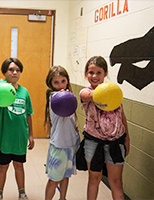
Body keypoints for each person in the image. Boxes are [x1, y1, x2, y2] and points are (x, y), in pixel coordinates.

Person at [79, 56, 130, 200]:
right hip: (93, 143)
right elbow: (91, 95)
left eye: (99, 72)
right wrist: (111, 91)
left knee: (116, 182)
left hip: (116, 142)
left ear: (105, 73)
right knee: (94, 179)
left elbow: (122, 116)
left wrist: (127, 138)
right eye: (91, 72)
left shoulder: (114, 93)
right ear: (86, 74)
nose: (94, 76)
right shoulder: (85, 92)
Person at [0, 57, 35, 200]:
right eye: (11, 69)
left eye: (17, 70)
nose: (14, 72)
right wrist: (4, 80)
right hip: (4, 138)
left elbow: (29, 114)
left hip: (19, 137)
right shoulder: (1, 88)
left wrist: (30, 135)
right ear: (4, 72)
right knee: (2, 167)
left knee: (19, 166)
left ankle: (22, 192)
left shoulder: (24, 92)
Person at [44, 66, 80, 200]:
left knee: (65, 176)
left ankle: (63, 198)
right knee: (53, 180)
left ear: (67, 81)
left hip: (70, 144)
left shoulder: (69, 96)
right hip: (58, 146)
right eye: (56, 82)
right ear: (51, 84)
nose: (60, 85)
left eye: (63, 81)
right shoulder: (54, 97)